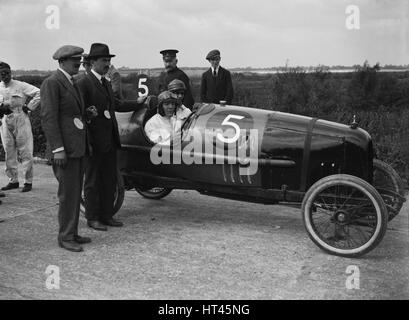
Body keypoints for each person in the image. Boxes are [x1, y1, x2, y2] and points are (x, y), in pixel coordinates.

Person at [76, 43, 146, 231]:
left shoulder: (105, 82)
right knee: (92, 181)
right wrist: (87, 140)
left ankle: (107, 215)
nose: (107, 64)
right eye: (104, 60)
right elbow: (79, 112)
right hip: (93, 142)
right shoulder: (83, 82)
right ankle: (92, 217)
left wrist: (138, 104)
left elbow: (117, 105)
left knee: (109, 179)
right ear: (92, 62)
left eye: (109, 60)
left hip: (109, 141)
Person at [40, 45, 91, 252]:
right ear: (61, 62)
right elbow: (49, 118)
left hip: (76, 148)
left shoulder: (72, 82)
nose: (78, 64)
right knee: (68, 195)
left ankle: (73, 232)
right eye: (74, 61)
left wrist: (86, 113)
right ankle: (65, 236)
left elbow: (69, 115)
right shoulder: (52, 83)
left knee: (74, 192)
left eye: (79, 61)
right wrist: (57, 149)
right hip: (65, 150)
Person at [0, 61, 40, 193]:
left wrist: (29, 107)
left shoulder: (20, 85)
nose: (4, 76)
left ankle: (28, 181)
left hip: (20, 118)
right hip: (5, 119)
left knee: (25, 150)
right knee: (9, 149)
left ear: (10, 73)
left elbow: (39, 93)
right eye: (1, 74)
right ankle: (13, 180)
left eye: (7, 73)